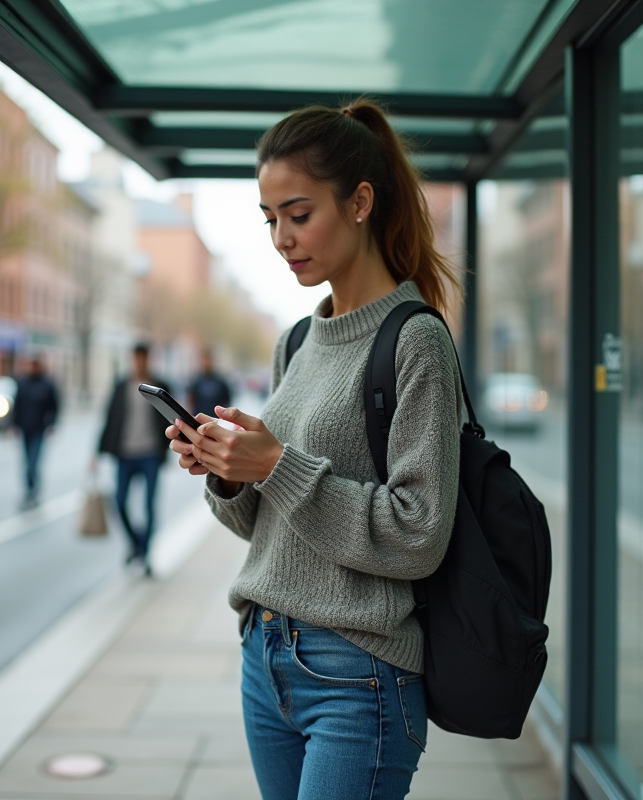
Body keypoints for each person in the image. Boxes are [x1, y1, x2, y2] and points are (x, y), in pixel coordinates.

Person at [164, 100, 463, 800]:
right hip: (264, 659)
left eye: (299, 214)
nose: (281, 238)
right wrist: (231, 476)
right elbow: (268, 524)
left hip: (358, 672)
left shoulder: (414, 338)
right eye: (270, 220)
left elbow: (420, 533)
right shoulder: (297, 340)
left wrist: (275, 464)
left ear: (360, 201)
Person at [97, 343, 171, 575]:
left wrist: (171, 450)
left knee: (149, 506)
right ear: (132, 359)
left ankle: (146, 554)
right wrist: (97, 453)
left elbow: (171, 420)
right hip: (125, 454)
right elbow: (110, 418)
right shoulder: (121, 386)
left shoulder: (159, 386)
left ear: (148, 359)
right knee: (119, 502)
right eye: (136, 358)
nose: (139, 362)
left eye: (143, 358)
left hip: (150, 453)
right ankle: (135, 544)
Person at [12, 355, 61, 509]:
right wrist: (13, 425)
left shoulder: (47, 384)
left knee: (33, 463)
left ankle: (33, 492)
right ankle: (29, 491)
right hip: (25, 429)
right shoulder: (23, 383)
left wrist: (52, 424)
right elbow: (17, 405)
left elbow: (54, 406)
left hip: (39, 429)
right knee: (27, 463)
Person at [187, 347, 232, 417]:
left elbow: (226, 404)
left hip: (216, 421)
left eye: (208, 359)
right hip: (199, 420)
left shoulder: (220, 383)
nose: (206, 362)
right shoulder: (196, 382)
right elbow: (191, 402)